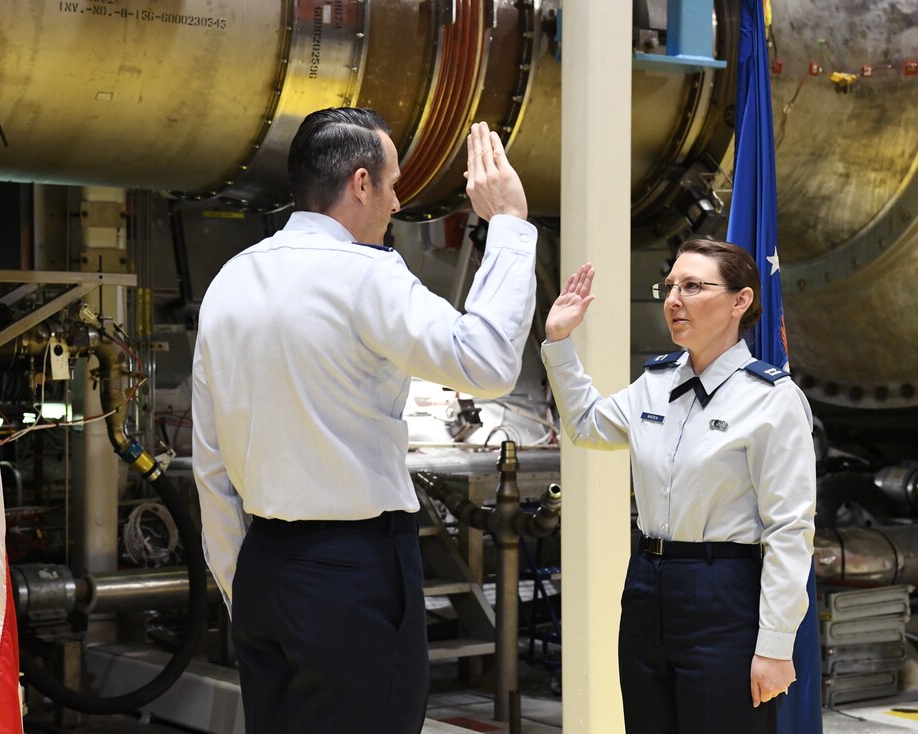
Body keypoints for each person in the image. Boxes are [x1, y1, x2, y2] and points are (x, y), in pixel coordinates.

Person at [191, 107, 536, 734]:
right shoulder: (365, 275)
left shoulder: (229, 281)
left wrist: (241, 584)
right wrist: (509, 226)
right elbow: (486, 361)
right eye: (395, 184)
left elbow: (209, 462)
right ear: (360, 183)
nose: (397, 200)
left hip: (262, 572)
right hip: (349, 574)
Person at [541, 238, 815, 733]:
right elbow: (585, 424)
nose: (673, 300)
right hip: (647, 583)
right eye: (669, 287)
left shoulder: (772, 400)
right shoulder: (656, 383)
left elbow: (790, 530)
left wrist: (775, 646)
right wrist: (559, 344)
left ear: (741, 301)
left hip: (724, 590)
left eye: (693, 286)